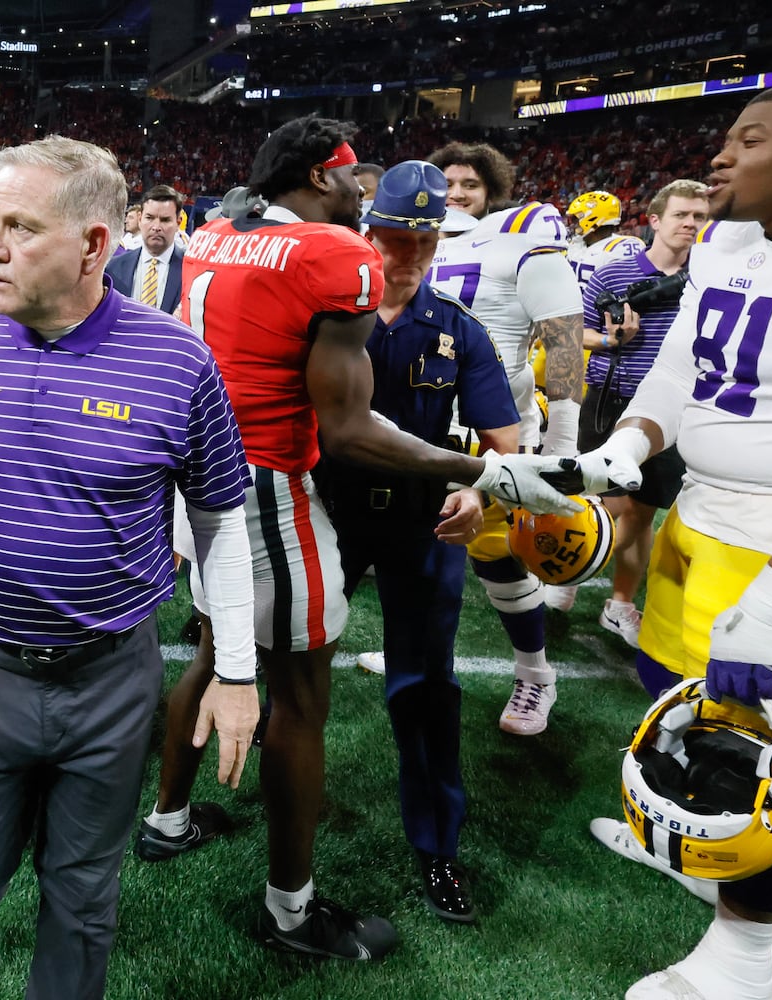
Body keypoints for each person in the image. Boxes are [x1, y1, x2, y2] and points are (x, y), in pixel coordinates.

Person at [139, 115, 576, 961]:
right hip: (282, 488)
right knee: (297, 697)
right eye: (360, 195)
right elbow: (342, 426)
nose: (365, 204)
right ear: (320, 183)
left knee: (229, 653)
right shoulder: (337, 261)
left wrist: (483, 476)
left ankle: (169, 820)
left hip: (218, 484)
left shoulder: (219, 234)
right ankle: (290, 912)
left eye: (420, 233)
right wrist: (479, 475)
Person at [0, 135, 259, 999]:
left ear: (93, 246)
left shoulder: (179, 362)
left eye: (17, 226)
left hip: (109, 676)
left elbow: (220, 524)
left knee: (84, 894)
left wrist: (235, 668)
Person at [573, 82, 772, 1000]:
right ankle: (687, 841)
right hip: (703, 510)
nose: (719, 157)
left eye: (748, 140)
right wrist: (624, 449)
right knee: (671, 692)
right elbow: (682, 374)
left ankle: (744, 963)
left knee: (755, 754)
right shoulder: (732, 239)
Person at [323, 160, 522, 925]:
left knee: (425, 685)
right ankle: (277, 803)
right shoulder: (330, 316)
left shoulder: (459, 331)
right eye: (393, 235)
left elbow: (504, 440)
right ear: (367, 233)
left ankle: (438, 845)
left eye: (423, 238)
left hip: (423, 521)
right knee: (292, 661)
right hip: (328, 509)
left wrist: (479, 488)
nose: (406, 254)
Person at [425, 141, 585, 734]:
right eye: (447, 183)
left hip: (492, 434)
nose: (457, 194)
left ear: (492, 190)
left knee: (497, 559)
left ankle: (535, 674)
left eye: (469, 183)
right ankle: (420, 653)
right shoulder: (412, 243)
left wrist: (565, 452)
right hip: (420, 433)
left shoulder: (524, 246)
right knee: (417, 555)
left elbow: (565, 341)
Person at [577, 179, 709, 648]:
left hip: (679, 411)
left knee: (642, 510)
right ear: (654, 220)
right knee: (600, 502)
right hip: (612, 398)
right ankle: (571, 573)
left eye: (699, 216)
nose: (691, 224)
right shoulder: (613, 273)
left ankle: (620, 602)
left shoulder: (712, 275)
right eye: (682, 215)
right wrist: (613, 340)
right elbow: (567, 333)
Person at [106, 184, 185, 313]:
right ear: (140, 219)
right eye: (149, 218)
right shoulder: (114, 267)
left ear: (178, 223)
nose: (156, 227)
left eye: (165, 220)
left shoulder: (190, 271)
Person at [566, 189, 645, 291]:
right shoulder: (577, 243)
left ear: (592, 219)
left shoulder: (621, 249)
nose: (573, 224)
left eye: (576, 219)